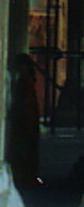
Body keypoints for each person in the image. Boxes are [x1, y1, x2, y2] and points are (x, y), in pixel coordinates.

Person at [6, 53, 42, 192]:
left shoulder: (24, 82)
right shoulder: (25, 80)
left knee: (23, 151)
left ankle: (25, 178)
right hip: (26, 120)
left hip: (24, 121)